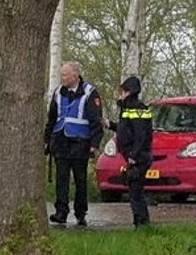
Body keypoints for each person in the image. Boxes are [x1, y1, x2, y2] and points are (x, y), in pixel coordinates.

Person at [43, 61, 105, 226]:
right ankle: (61, 212)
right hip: (61, 141)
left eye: (64, 75)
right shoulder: (58, 92)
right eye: (61, 74)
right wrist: (46, 140)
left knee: (80, 179)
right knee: (61, 179)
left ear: (75, 75)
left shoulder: (90, 92)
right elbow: (51, 119)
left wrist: (95, 144)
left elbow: (96, 120)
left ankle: (80, 212)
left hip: (80, 142)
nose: (61, 78)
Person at [113, 75, 155, 228]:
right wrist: (110, 125)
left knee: (136, 193)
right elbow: (125, 129)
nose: (120, 95)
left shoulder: (137, 108)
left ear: (128, 92)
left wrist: (133, 155)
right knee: (134, 192)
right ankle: (139, 222)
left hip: (139, 157)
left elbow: (140, 134)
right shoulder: (128, 108)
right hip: (136, 155)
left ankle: (142, 223)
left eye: (122, 91)